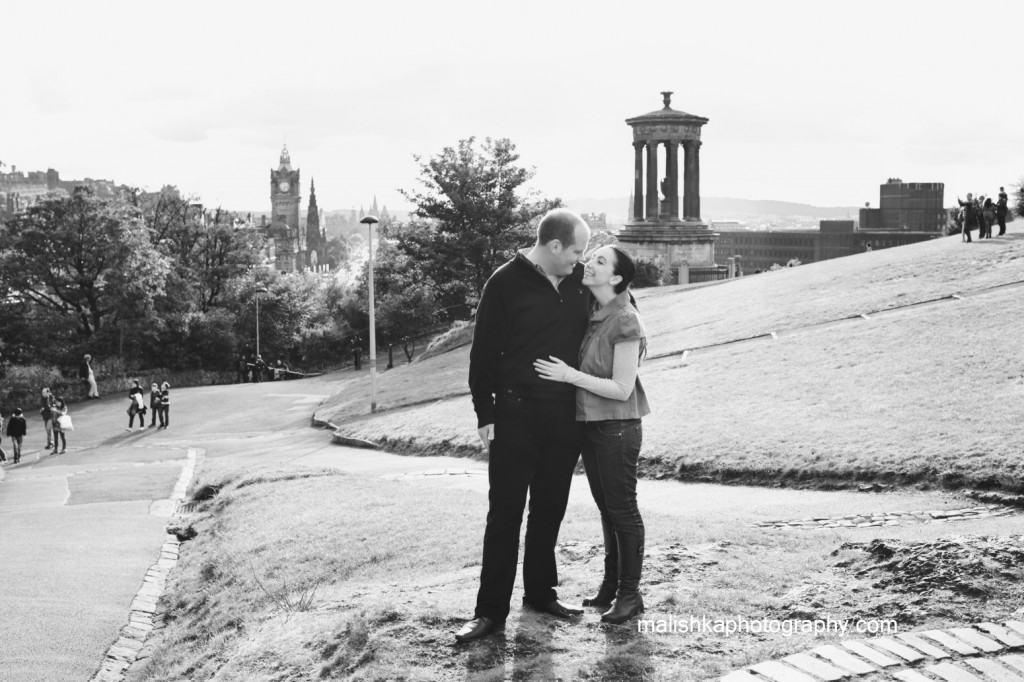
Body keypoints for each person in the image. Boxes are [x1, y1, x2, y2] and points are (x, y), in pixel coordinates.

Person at [455, 208, 592, 643]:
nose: (579, 259)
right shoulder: (504, 283)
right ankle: (489, 611)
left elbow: (620, 300)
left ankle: (540, 593)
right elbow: (483, 354)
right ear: (553, 246)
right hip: (515, 414)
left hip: (565, 415)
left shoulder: (580, 280)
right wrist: (485, 413)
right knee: (506, 514)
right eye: (575, 250)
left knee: (549, 508)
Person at [534, 245, 651, 624]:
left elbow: (621, 387)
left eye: (600, 261)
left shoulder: (626, 320)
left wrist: (569, 375)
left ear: (616, 278)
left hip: (617, 427)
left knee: (623, 510)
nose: (589, 264)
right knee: (608, 511)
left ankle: (630, 596)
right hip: (592, 425)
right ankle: (611, 587)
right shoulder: (596, 312)